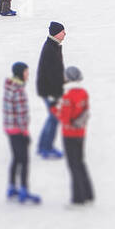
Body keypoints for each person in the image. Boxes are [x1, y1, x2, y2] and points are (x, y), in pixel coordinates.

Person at [54, 66, 94, 206]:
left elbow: (64, 118)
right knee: (81, 162)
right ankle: (88, 193)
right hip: (81, 133)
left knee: (73, 165)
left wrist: (54, 109)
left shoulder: (67, 96)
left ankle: (78, 198)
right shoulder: (83, 93)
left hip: (69, 134)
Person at [3, 62, 41, 204]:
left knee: (15, 158)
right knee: (24, 161)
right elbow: (21, 115)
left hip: (9, 128)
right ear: (20, 74)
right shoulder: (18, 91)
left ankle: (12, 187)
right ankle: (24, 190)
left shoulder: (9, 86)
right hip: (18, 130)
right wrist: (25, 133)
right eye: (26, 72)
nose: (28, 75)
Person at [36, 22, 66, 160]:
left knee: (52, 118)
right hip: (50, 91)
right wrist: (56, 95)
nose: (65, 34)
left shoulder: (53, 45)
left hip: (50, 90)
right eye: (62, 31)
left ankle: (43, 145)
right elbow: (51, 74)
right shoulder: (50, 49)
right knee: (54, 119)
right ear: (56, 33)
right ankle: (46, 148)